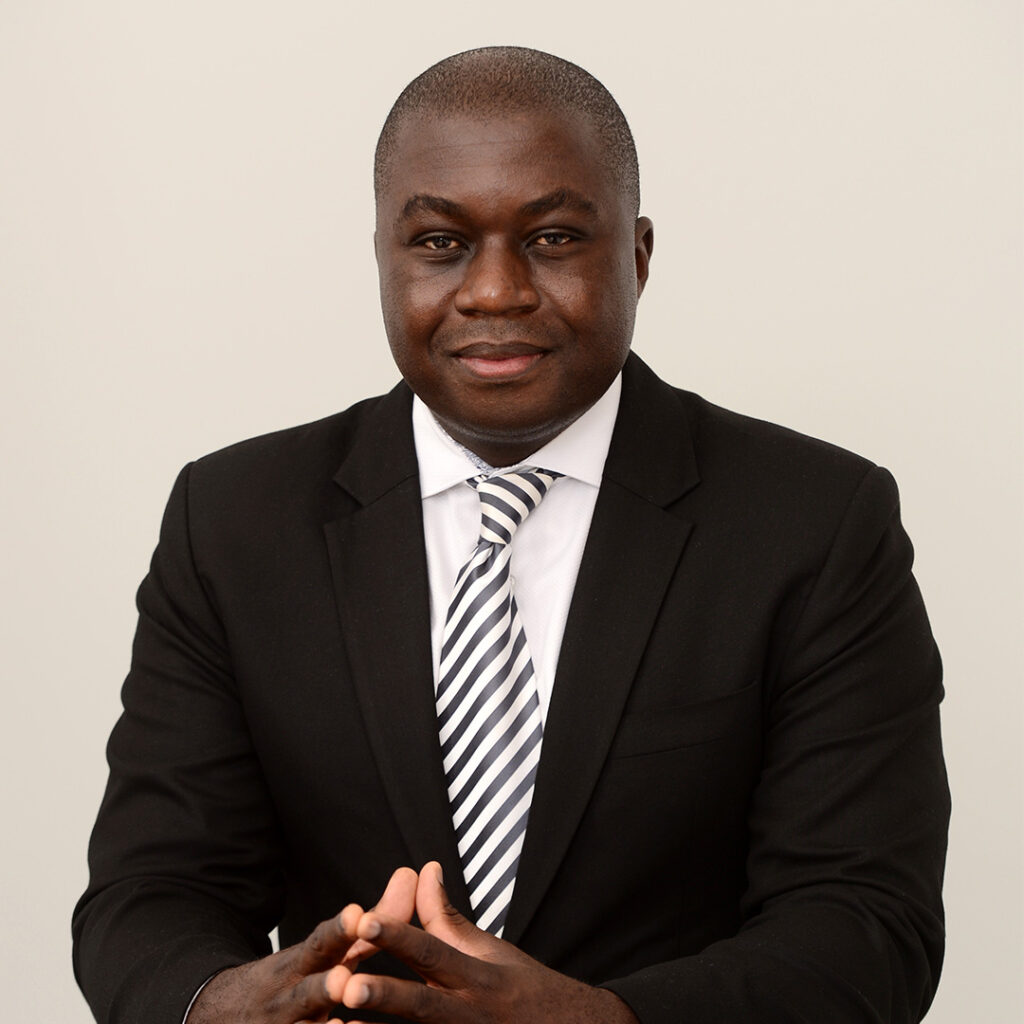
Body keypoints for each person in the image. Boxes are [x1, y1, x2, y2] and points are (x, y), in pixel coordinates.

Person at [73, 46, 950, 1024]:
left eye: (554, 237)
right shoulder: (234, 522)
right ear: (384, 258)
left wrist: (602, 1022)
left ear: (638, 255)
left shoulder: (815, 523)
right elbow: (152, 892)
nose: (494, 291)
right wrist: (213, 1005)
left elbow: (867, 923)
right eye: (440, 242)